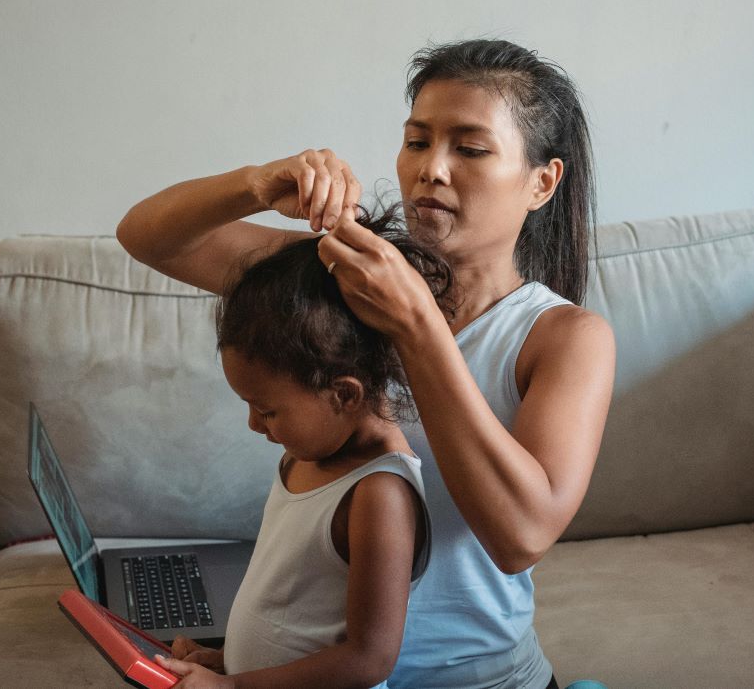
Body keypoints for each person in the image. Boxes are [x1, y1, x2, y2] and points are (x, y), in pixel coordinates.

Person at [118, 38, 615, 689]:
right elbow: (146, 236)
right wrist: (258, 183)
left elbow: (520, 535)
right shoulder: (341, 280)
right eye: (417, 141)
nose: (432, 169)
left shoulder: (563, 337)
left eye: (468, 148)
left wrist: (415, 323)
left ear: (541, 182)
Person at [151, 211, 451, 688]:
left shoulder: (379, 495)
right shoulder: (306, 453)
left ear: (344, 394)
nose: (254, 424)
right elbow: (294, 608)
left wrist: (234, 687)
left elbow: (370, 658)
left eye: (267, 411)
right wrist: (226, 661)